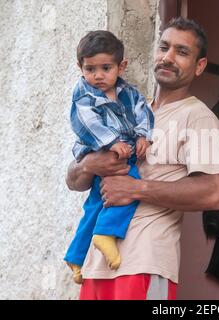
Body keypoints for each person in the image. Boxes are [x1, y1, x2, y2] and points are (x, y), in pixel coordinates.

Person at [66, 17, 219, 300]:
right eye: (164, 47)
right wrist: (88, 165)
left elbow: (214, 194)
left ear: (199, 66)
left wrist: (135, 189)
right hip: (95, 266)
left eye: (182, 52)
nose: (167, 57)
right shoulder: (127, 109)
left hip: (144, 262)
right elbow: (74, 180)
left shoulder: (198, 117)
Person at [64, 30, 154, 285]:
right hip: (98, 149)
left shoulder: (130, 92)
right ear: (80, 67)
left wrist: (143, 136)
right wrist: (111, 142)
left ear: (121, 66)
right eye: (90, 69)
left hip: (123, 147)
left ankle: (76, 255)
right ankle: (106, 233)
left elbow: (143, 113)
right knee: (128, 179)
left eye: (106, 68)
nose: (98, 75)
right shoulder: (83, 94)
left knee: (94, 205)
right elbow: (85, 122)